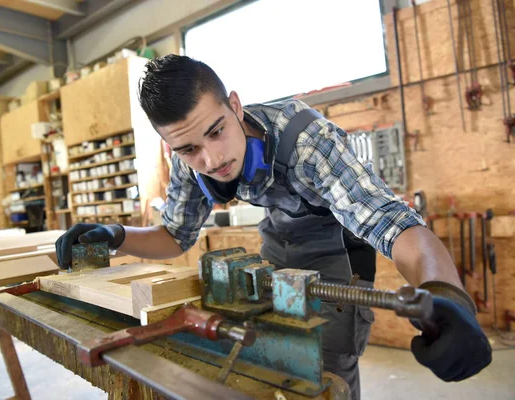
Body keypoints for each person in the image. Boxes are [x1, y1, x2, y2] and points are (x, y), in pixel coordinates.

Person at [56, 55, 491, 399]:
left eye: (216, 131)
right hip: (280, 246)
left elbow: (394, 224)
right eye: (189, 148)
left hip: (338, 251)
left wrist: (446, 295)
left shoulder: (308, 142)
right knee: (275, 357)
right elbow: (174, 235)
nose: (210, 160)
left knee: (329, 370)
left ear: (236, 105)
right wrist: (115, 235)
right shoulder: (188, 160)